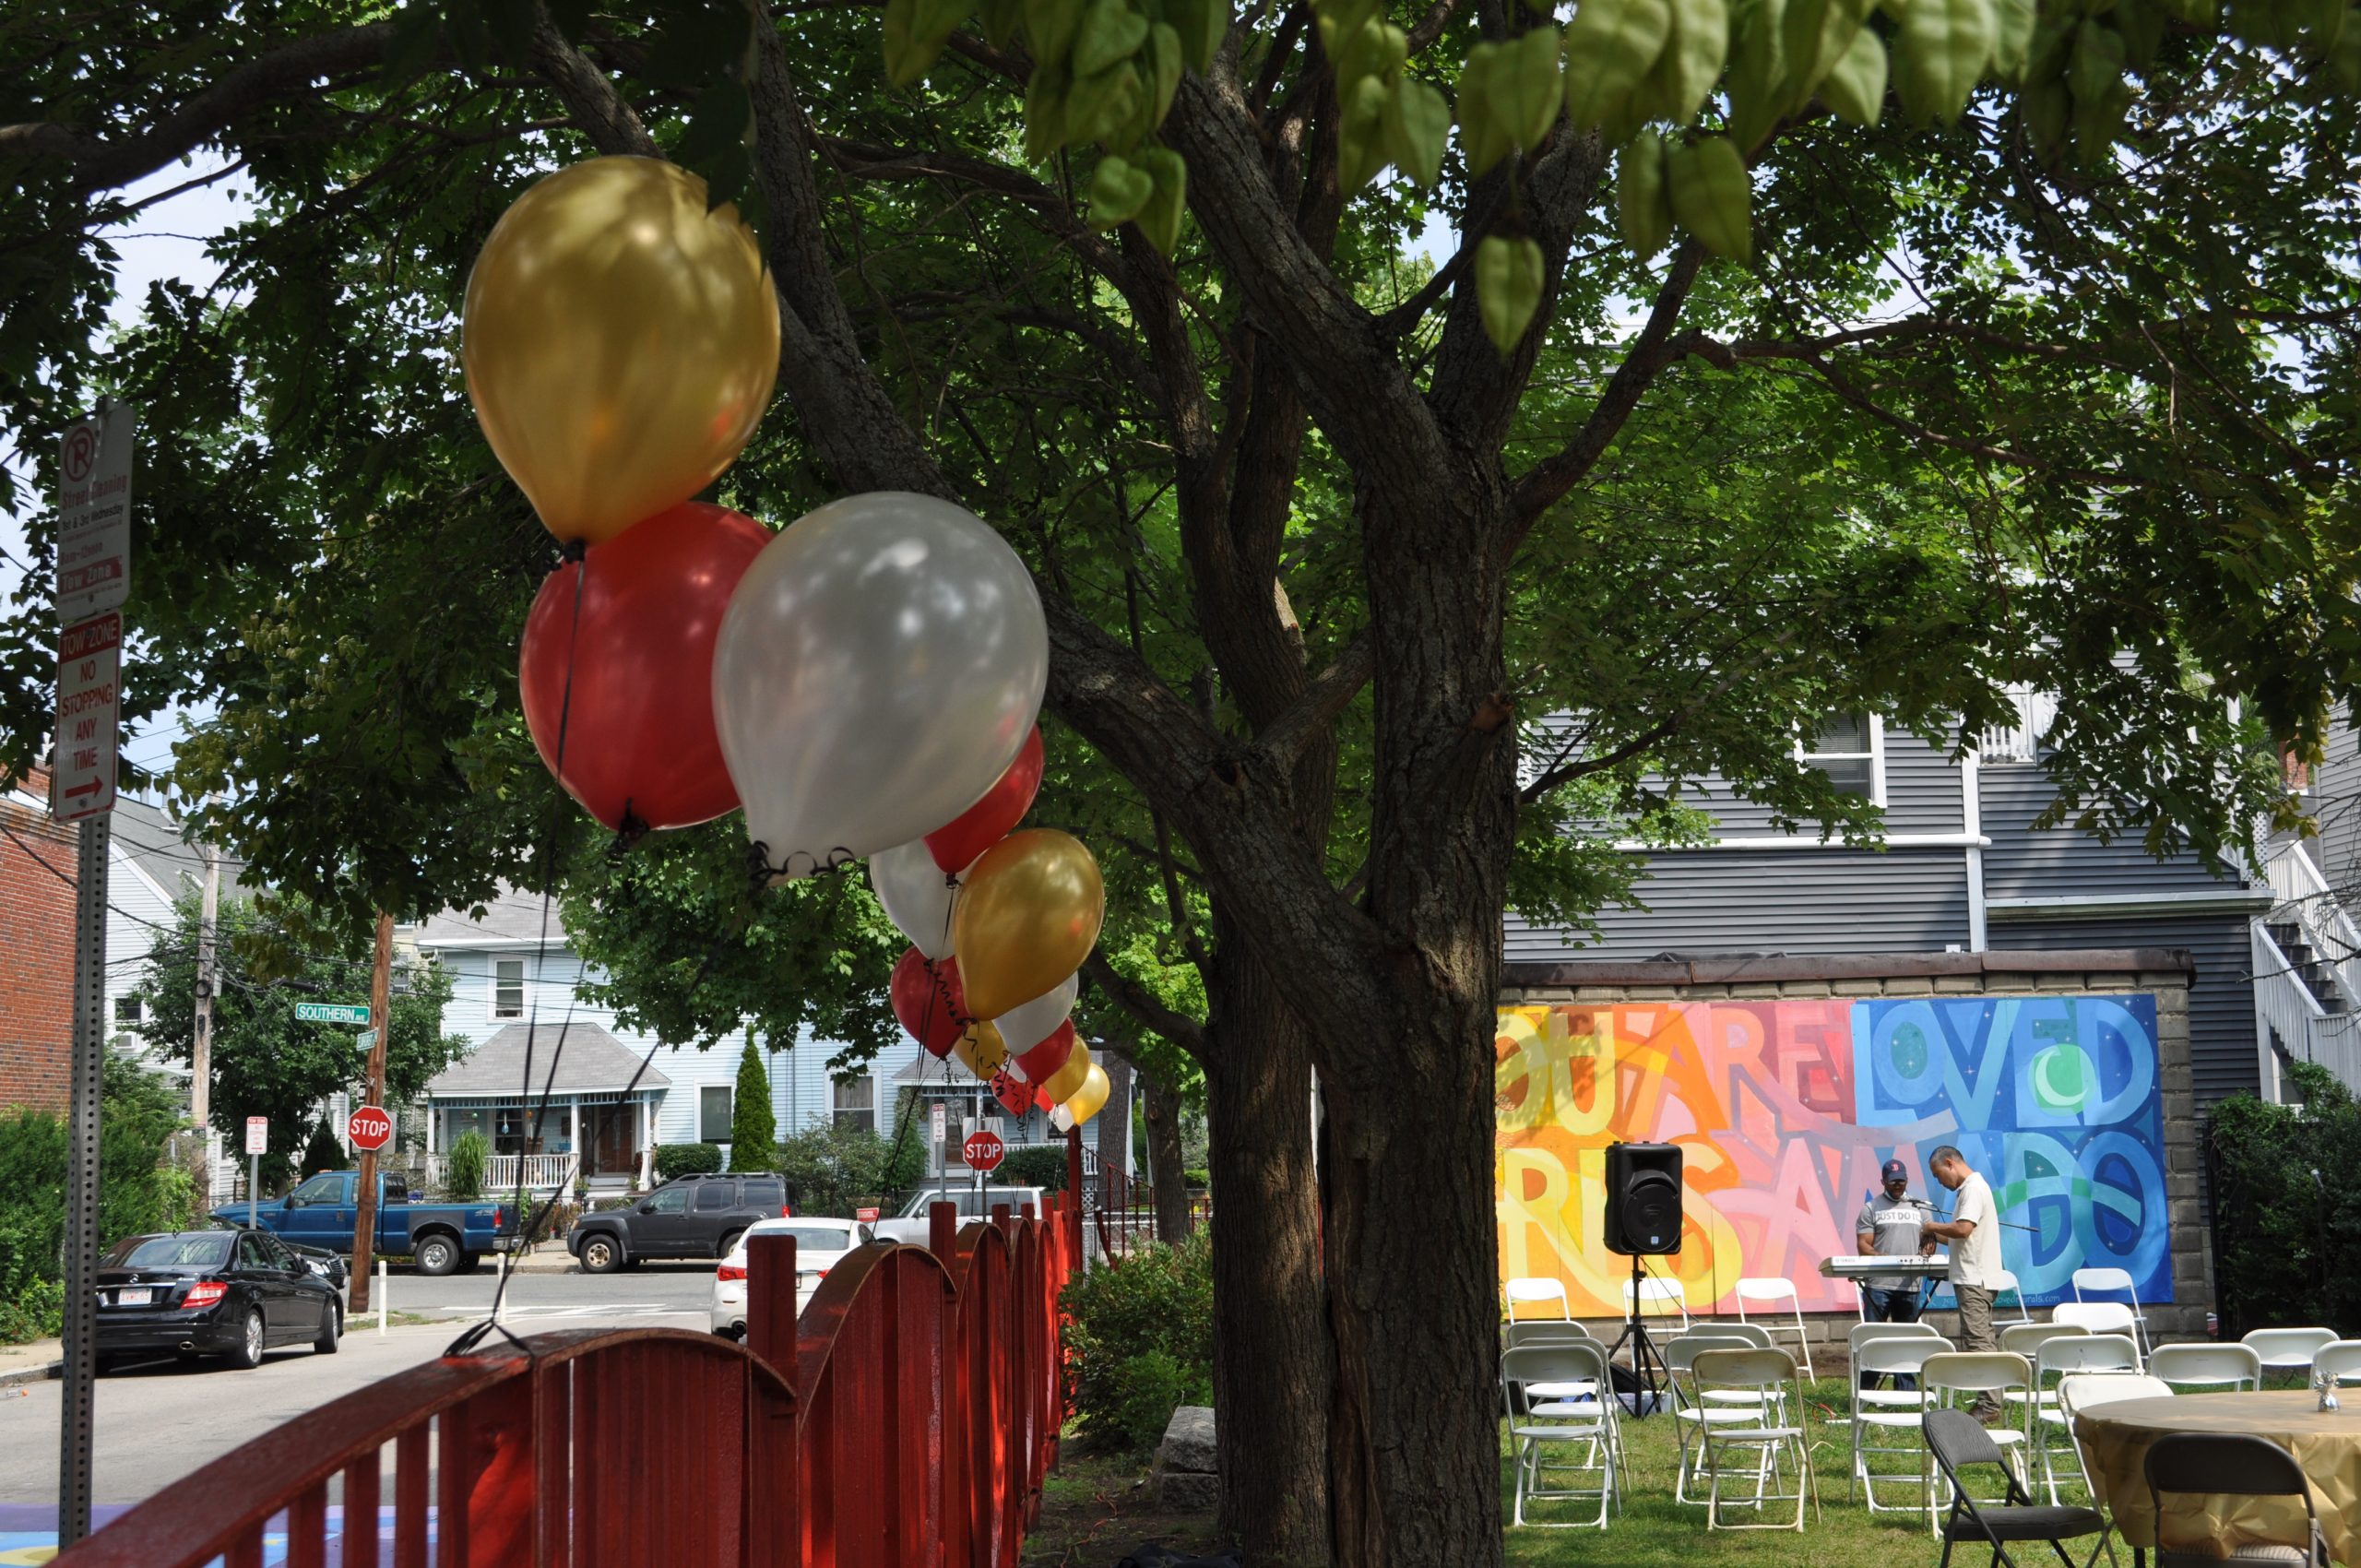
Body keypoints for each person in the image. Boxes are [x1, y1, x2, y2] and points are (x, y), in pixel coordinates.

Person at [1920, 1143, 2003, 1419]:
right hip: (1975, 1275)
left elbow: (1963, 1229)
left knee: (1979, 1341)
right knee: (1980, 1339)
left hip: (1974, 1278)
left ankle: (1990, 1406)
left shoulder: (1972, 1189)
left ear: (1949, 1163)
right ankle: (1988, 1399)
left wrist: (1931, 1226)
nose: (1939, 1181)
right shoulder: (1971, 1190)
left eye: (1937, 1174)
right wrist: (1936, 1236)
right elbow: (1959, 1236)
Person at [1855, 1158, 1926, 1389]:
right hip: (1879, 1285)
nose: (1898, 1185)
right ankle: (1865, 1392)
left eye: (1901, 1181)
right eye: (1893, 1181)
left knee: (1906, 1341)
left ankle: (1906, 1392)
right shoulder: (1871, 1208)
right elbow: (1863, 1245)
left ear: (1907, 1180)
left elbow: (1930, 1236)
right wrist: (1882, 1259)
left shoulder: (1920, 1206)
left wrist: (1931, 1240)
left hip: (1911, 1284)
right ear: (1883, 1181)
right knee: (1874, 1340)